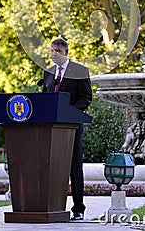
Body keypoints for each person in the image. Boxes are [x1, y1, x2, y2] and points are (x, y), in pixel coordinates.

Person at [43, 38, 92, 220]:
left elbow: (86, 98)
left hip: (71, 127)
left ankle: (78, 209)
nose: (53, 54)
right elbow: (45, 98)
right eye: (52, 50)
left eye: (57, 51)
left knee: (74, 167)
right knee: (51, 166)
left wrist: (69, 112)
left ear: (65, 52)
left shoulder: (80, 71)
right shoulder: (48, 73)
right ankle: (51, 206)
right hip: (50, 129)